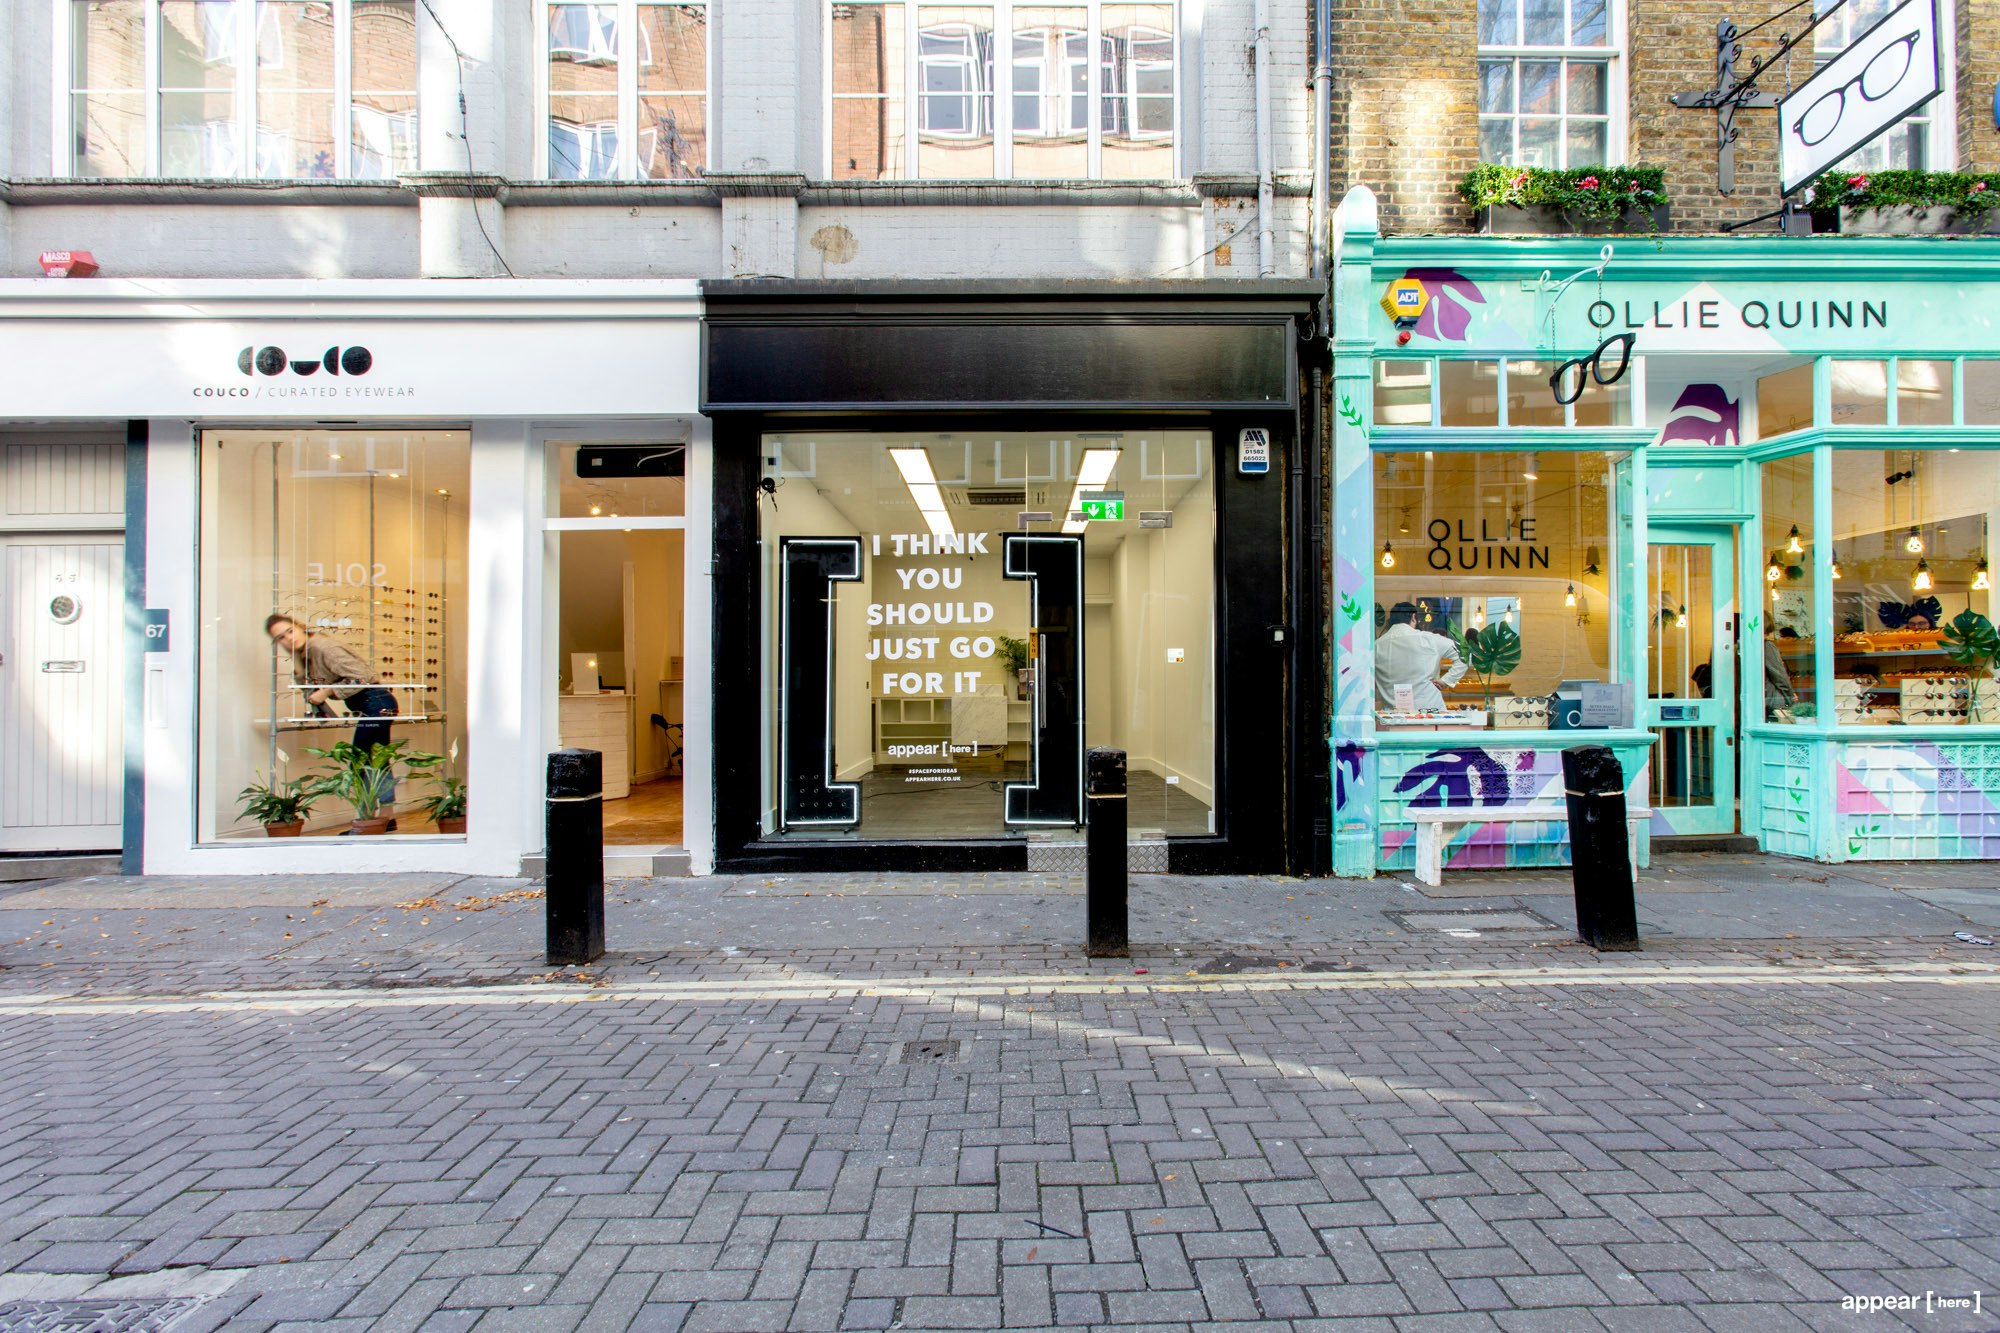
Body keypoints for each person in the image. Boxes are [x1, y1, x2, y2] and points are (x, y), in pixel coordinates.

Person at [265, 613, 401, 809]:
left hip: (376, 703)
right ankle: (384, 818)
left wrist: (328, 690)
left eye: (290, 631)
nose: (289, 638)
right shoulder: (306, 652)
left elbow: (363, 675)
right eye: (281, 638)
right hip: (372, 705)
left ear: (300, 626)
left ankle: (366, 819)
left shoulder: (322, 647)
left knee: (361, 761)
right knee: (377, 761)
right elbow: (309, 685)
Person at [1375, 601, 1467, 712]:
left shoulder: (1377, 646)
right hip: (1430, 711)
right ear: (1414, 617)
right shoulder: (1429, 639)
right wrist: (1446, 681)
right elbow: (1465, 654)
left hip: (1393, 715)